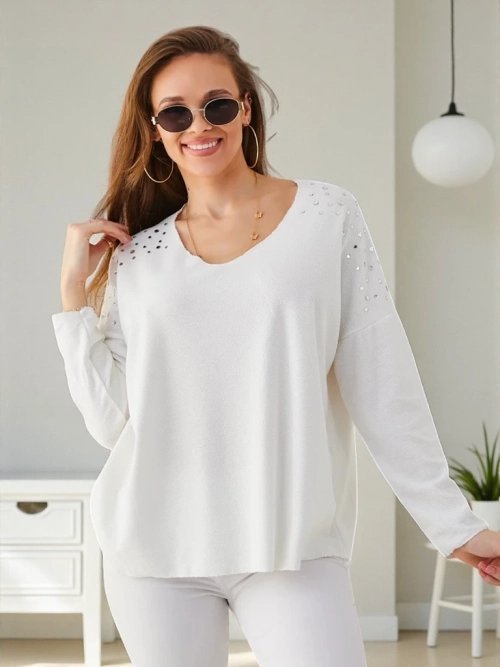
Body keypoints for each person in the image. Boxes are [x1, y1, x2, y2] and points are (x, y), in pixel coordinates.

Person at [51, 24, 496, 667]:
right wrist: (74, 298)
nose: (198, 125)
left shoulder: (326, 216)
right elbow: (113, 424)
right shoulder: (138, 256)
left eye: (216, 104)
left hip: (290, 542)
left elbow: (382, 381)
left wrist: (452, 525)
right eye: (175, 112)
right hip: (153, 548)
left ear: (245, 108)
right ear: (155, 128)